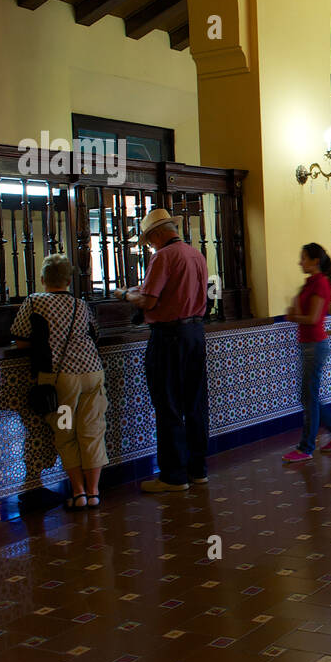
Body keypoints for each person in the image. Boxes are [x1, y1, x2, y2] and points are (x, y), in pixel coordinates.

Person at [121, 208, 209, 493]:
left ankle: (173, 476)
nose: (149, 245)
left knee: (168, 404)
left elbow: (148, 301)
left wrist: (125, 294)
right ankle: (198, 470)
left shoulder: (162, 257)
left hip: (169, 337)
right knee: (195, 403)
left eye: (148, 240)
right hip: (196, 334)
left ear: (157, 234)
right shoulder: (196, 255)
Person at [11, 254, 108, 510]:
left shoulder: (34, 302)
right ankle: (95, 491)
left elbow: (21, 339)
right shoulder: (80, 304)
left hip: (62, 381)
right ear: (68, 280)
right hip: (93, 374)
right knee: (92, 431)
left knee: (66, 434)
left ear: (43, 279)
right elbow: (94, 334)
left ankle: (78, 493)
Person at [283, 243, 331, 462]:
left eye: (303, 258)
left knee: (309, 397)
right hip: (308, 344)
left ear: (314, 261)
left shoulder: (320, 284)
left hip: (315, 345)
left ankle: (306, 447)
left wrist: (294, 316)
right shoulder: (309, 284)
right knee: (309, 396)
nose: (300, 262)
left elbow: (311, 318)